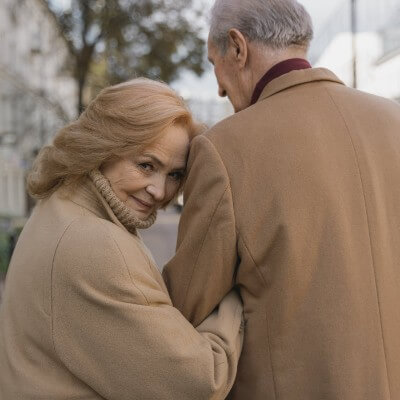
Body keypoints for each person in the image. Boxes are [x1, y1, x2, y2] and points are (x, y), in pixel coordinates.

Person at [163, 0, 400, 399]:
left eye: (212, 62)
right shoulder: (393, 121)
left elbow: (187, 307)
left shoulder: (223, 149)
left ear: (237, 48)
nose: (219, 87)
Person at [0, 78, 243, 400]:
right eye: (146, 166)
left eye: (174, 175)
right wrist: (234, 299)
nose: (160, 191)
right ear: (102, 148)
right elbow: (198, 385)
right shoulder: (96, 244)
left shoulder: (57, 208)